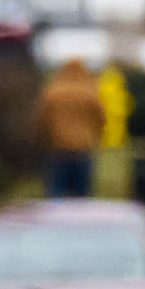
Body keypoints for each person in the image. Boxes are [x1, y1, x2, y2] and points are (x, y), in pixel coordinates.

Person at [34, 59, 106, 199]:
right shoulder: (90, 92)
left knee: (56, 192)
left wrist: (44, 141)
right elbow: (101, 119)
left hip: (58, 149)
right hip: (84, 149)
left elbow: (42, 121)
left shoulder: (52, 92)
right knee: (82, 195)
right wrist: (95, 138)